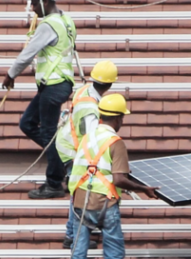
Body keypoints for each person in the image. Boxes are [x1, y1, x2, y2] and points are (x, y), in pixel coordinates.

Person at [1, 0, 76, 199]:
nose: (32, 8)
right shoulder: (66, 20)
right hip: (55, 84)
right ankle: (65, 160)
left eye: (34, 3)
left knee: (48, 133)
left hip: (54, 85)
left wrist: (10, 74)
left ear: (45, 0)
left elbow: (28, 53)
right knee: (27, 123)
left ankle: (54, 183)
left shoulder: (48, 25)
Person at [68, 93, 160, 259]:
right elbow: (118, 179)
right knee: (114, 254)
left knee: (78, 252)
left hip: (80, 202)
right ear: (118, 119)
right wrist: (143, 188)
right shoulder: (115, 142)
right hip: (105, 203)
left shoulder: (87, 138)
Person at [57, 60, 119, 249]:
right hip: (73, 149)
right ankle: (72, 235)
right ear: (110, 84)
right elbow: (93, 138)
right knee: (78, 189)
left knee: (78, 188)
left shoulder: (85, 90)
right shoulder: (90, 109)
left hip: (69, 143)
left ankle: (72, 233)